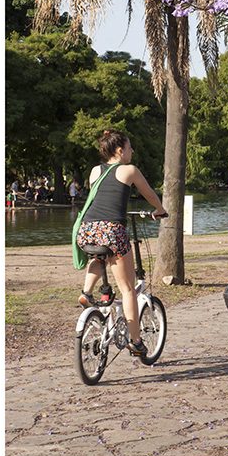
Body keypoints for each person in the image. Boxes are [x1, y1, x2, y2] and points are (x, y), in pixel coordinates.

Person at [76, 129, 167, 357]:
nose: (132, 150)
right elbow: (149, 194)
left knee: (99, 256)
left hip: (87, 230)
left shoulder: (96, 171)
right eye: (129, 147)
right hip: (112, 230)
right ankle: (136, 342)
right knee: (127, 289)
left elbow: (102, 198)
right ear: (119, 151)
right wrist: (159, 209)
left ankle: (86, 292)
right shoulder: (129, 170)